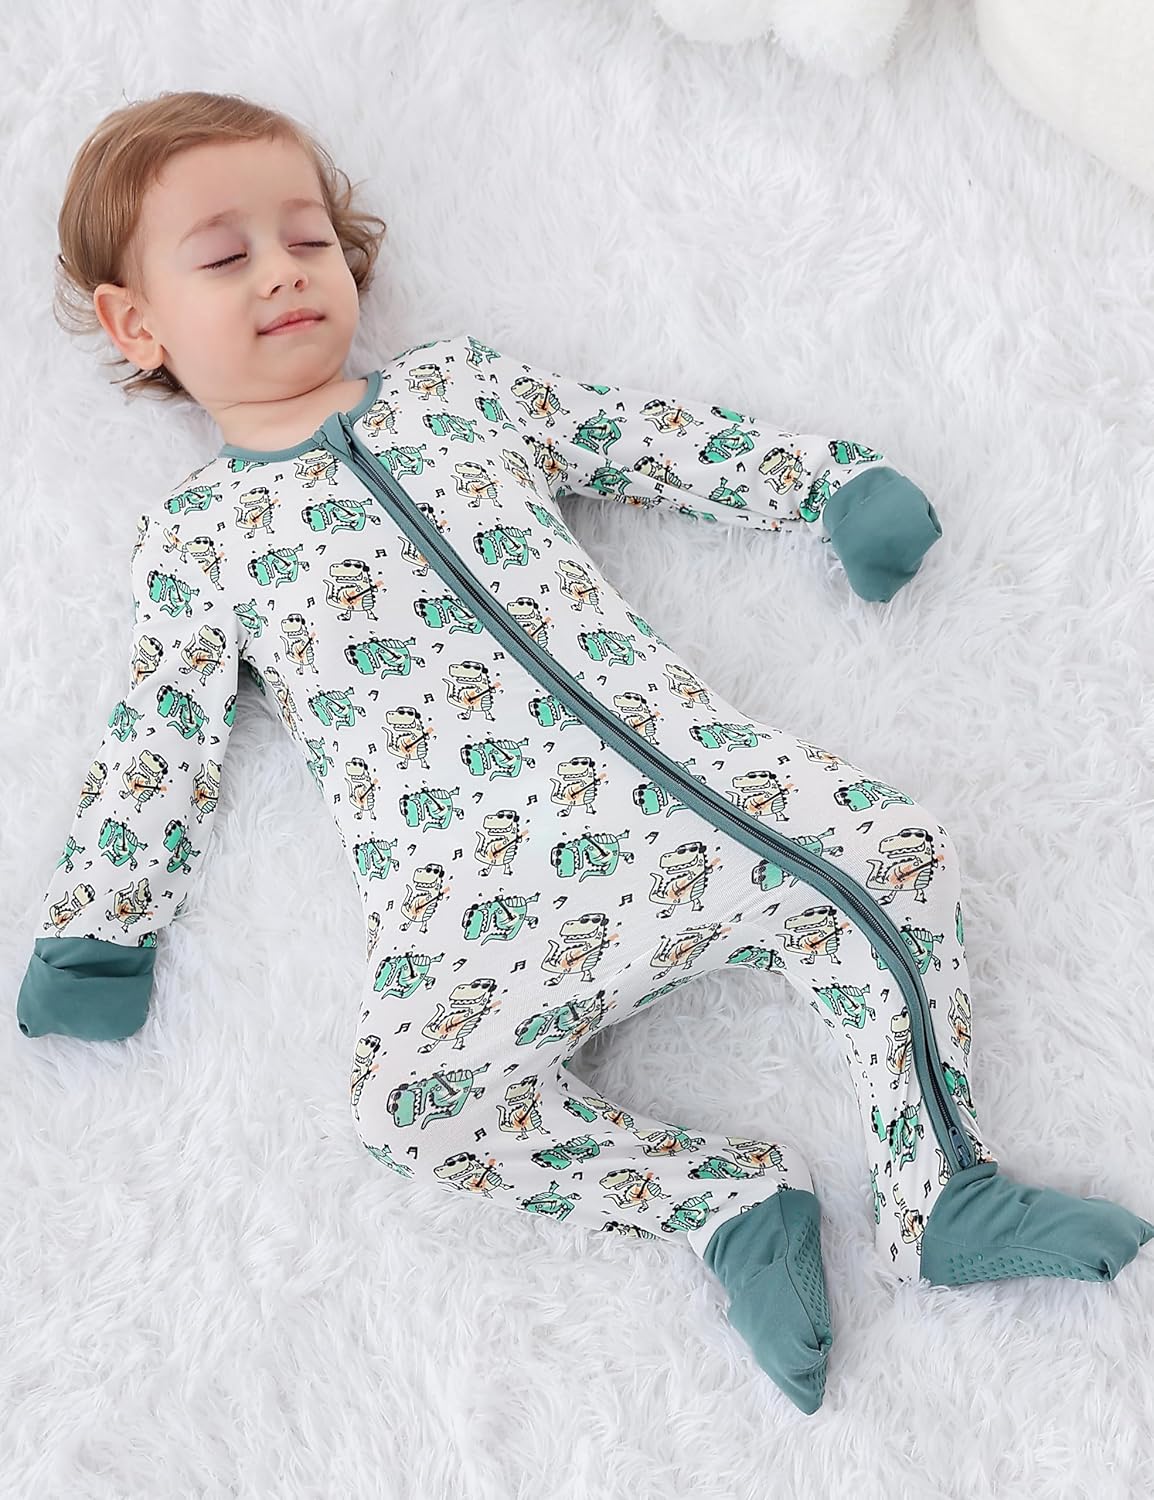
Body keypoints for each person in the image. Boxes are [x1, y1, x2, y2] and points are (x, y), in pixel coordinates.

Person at [20, 89, 1153, 1416]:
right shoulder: (200, 543)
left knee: (894, 857)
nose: (284, 270)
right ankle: (722, 1202)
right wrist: (98, 934)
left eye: (310, 238)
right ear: (137, 324)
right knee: (408, 1110)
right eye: (225, 256)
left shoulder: (459, 395)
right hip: (474, 909)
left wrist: (826, 484)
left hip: (702, 807)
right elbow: (156, 745)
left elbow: (647, 439)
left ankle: (942, 1194)